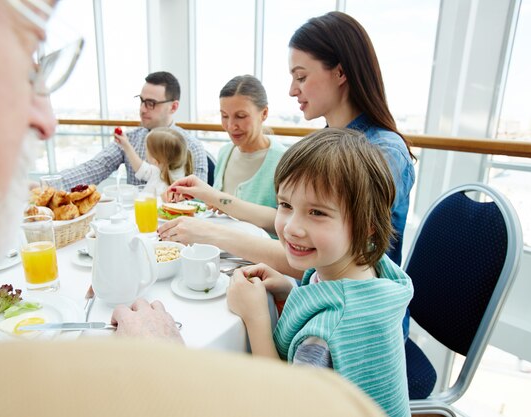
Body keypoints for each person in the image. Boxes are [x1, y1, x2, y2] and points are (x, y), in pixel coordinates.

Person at [0, 2, 385, 416]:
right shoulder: (220, 152)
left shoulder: (360, 160)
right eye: (20, 69)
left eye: (301, 77)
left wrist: (164, 359)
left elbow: (339, 267)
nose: (48, 121)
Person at [160, 11, 415, 334]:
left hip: (355, 327)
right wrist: (213, 196)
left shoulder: (382, 152)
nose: (293, 90)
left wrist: (208, 233)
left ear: (340, 72)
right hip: (317, 299)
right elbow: (291, 219)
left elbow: (327, 251)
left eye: (301, 76)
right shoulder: (330, 141)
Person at [226, 128, 413, 417]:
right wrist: (294, 294)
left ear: (369, 224)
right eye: (285, 205)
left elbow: (284, 405)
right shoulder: (374, 271)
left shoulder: (326, 336)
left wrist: (255, 318)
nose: (291, 228)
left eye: (317, 213)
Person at [58, 71, 208, 190]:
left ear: (173, 107)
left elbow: (199, 198)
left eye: (151, 103)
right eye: (142, 101)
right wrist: (51, 186)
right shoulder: (129, 140)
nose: (142, 109)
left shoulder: (192, 147)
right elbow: (94, 168)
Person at [213, 75, 286, 209]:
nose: (230, 126)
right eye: (224, 116)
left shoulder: (284, 160)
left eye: (240, 116)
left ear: (264, 113)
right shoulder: (224, 153)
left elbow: (286, 219)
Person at [115, 126, 193, 197]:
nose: (145, 151)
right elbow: (140, 168)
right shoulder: (159, 170)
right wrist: (126, 144)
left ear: (156, 161)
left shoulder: (170, 189)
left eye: (146, 149)